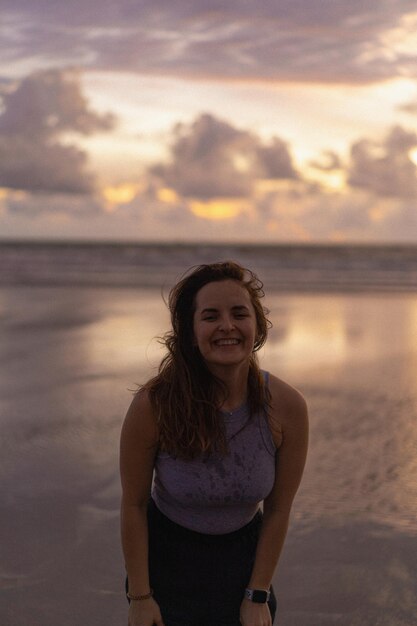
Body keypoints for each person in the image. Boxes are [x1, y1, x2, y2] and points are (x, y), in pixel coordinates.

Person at [119, 261, 308, 626]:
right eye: (210, 316)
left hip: (245, 565)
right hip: (166, 563)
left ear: (257, 326)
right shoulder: (153, 404)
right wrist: (140, 596)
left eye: (240, 313)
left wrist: (258, 593)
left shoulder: (288, 407)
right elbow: (134, 505)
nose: (227, 326)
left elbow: (279, 509)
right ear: (190, 332)